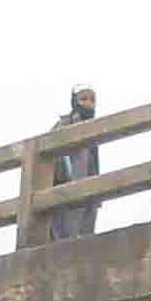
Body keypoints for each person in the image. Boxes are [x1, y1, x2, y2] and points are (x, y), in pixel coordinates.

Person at [38, 84, 101, 243]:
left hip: (87, 191)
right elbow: (49, 157)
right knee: (62, 237)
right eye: (83, 99)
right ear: (74, 102)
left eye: (92, 100)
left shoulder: (95, 128)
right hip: (64, 189)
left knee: (84, 238)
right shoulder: (64, 124)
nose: (88, 103)